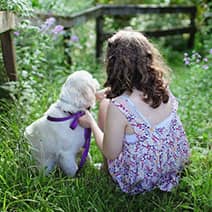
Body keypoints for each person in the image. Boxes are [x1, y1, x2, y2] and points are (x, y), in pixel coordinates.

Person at [79, 30, 190, 194]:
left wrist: (92, 124)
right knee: (109, 104)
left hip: (141, 178)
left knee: (105, 105)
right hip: (173, 164)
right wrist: (110, 91)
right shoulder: (162, 88)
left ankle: (106, 170)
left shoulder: (119, 106)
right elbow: (136, 96)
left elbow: (111, 152)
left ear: (114, 64)